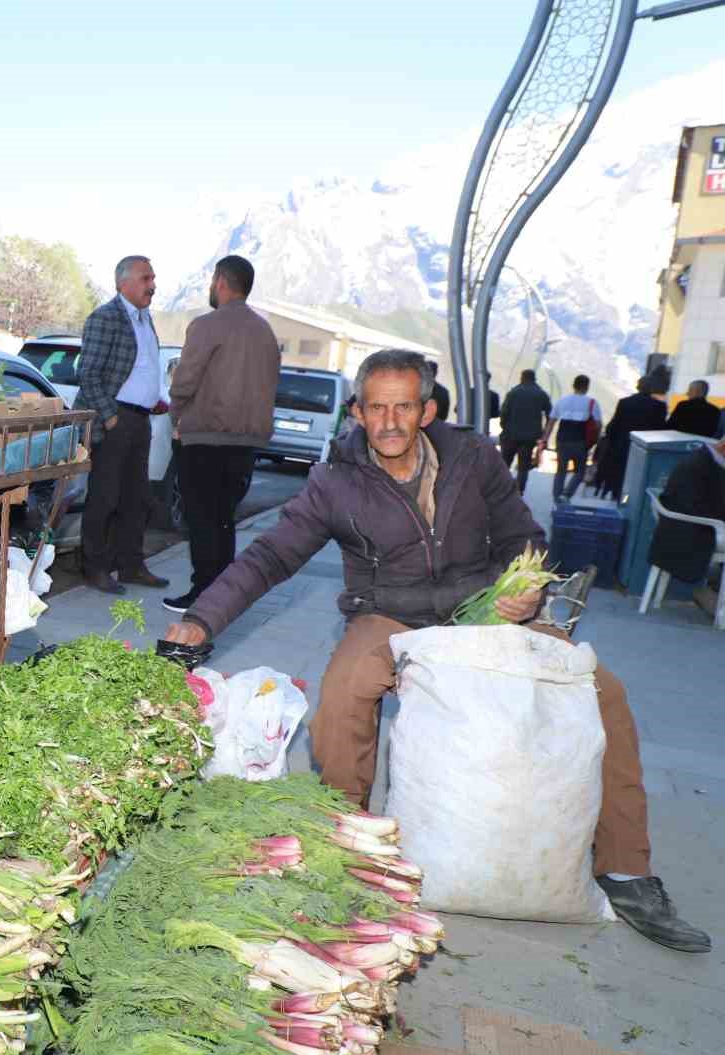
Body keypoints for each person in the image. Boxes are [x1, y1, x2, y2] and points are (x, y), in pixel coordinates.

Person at [164, 348, 709, 953]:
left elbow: (522, 536)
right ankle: (344, 844)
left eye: (403, 407)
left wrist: (523, 589)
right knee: (342, 695)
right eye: (376, 408)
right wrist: (200, 620)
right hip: (390, 614)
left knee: (602, 692)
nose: (390, 422)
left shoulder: (473, 458)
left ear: (426, 410)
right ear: (358, 412)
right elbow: (270, 556)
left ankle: (628, 871)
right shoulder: (335, 482)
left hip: (485, 611)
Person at [163, 254, 282, 612]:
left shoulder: (207, 325)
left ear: (220, 281)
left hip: (206, 437)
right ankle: (221, 595)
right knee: (223, 519)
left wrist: (176, 416)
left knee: (201, 519)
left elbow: (185, 380)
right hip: (246, 444)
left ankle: (202, 594)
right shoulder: (265, 332)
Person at [74, 255, 170, 594]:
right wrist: (110, 416)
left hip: (141, 420)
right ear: (123, 282)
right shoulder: (105, 317)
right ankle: (95, 569)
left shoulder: (145, 319)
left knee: (136, 498)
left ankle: (130, 565)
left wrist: (154, 398)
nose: (153, 286)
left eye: (153, 278)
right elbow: (88, 374)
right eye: (146, 278)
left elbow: (140, 367)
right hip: (114, 419)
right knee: (104, 498)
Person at [648, 436, 725, 586]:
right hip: (689, 530)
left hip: (680, 525)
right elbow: (700, 507)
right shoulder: (702, 465)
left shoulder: (702, 458)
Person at [592, 375, 669, 499]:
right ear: (651, 389)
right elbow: (661, 429)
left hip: (622, 445)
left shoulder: (625, 402)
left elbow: (614, 425)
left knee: (620, 473)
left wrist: (611, 441)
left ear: (638, 387)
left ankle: (616, 495)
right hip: (646, 448)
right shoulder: (659, 406)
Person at [545, 374, 602, 505]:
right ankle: (566, 494)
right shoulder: (591, 402)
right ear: (587, 387)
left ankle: (557, 497)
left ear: (573, 385)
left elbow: (551, 422)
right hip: (580, 440)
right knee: (580, 471)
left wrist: (545, 438)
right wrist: (595, 441)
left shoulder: (562, 401)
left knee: (561, 470)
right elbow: (598, 424)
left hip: (562, 438)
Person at [497, 369, 553, 495]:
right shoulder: (541, 394)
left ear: (522, 378)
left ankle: (501, 488)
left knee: (505, 462)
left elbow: (504, 411)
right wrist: (544, 434)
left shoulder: (514, 392)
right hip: (530, 437)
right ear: (534, 379)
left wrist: (504, 426)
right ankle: (519, 490)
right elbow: (551, 415)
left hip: (511, 434)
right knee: (523, 465)